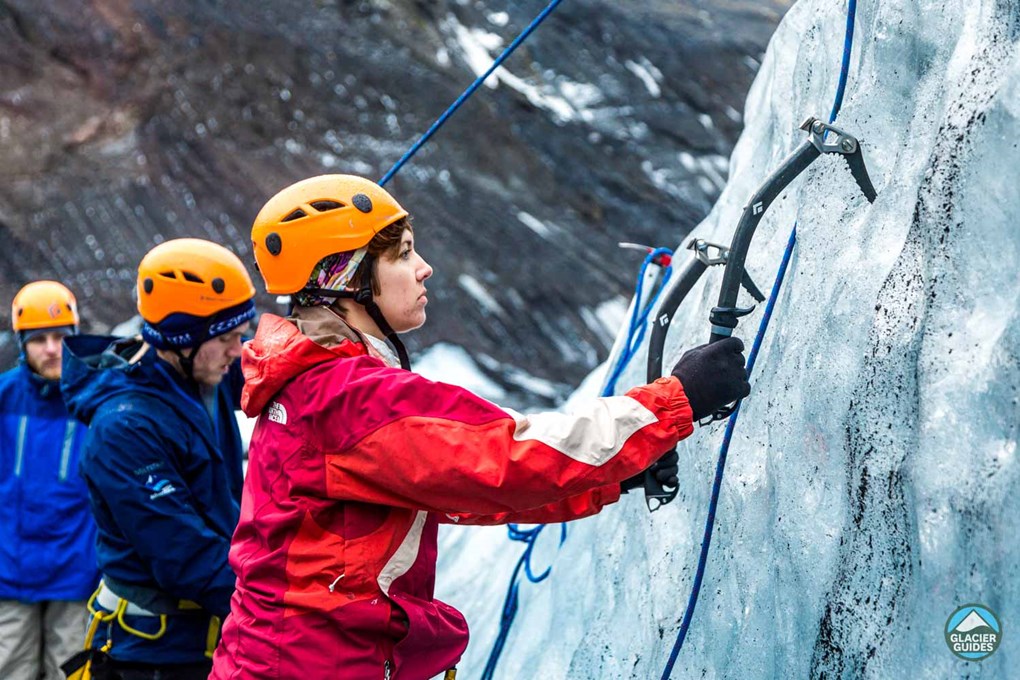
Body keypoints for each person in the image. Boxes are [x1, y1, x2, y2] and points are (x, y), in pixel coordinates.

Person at [210, 174, 750, 679]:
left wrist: (615, 478)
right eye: (402, 254)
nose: (424, 268)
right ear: (344, 277)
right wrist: (676, 399)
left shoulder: (317, 385)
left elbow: (453, 486)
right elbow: (507, 459)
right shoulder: (350, 398)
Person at [60, 239, 256, 679]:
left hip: (207, 634)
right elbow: (185, 557)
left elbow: (273, 369)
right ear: (182, 339)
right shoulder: (125, 429)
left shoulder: (201, 378)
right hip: (155, 654)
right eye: (226, 338)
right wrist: (285, 609)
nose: (238, 350)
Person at [0, 281, 96, 680]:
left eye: (60, 337)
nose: (52, 348)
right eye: (39, 339)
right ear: (22, 343)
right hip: (8, 569)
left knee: (72, 672)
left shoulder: (94, 399)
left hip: (77, 571)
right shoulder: (4, 396)